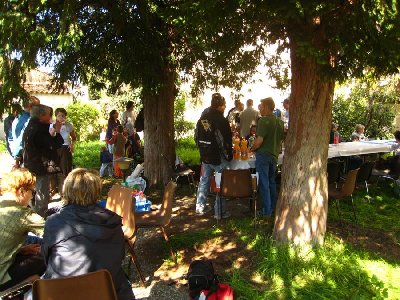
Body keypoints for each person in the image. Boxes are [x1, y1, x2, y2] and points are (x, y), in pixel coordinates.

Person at [41, 168, 134, 300]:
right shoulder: (113, 221)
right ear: (96, 191)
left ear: (67, 190)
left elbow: (46, 257)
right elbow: (119, 256)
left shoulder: (55, 222)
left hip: (61, 292)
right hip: (107, 291)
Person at [0, 169, 46, 291]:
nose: (32, 196)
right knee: (47, 255)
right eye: (33, 191)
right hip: (1, 278)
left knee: (32, 246)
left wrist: (20, 250)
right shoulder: (23, 214)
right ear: (22, 191)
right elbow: (54, 232)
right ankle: (19, 288)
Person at [195, 93, 233, 219]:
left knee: (204, 180)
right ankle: (219, 212)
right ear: (220, 106)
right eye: (224, 105)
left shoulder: (203, 118)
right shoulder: (221, 120)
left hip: (205, 155)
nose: (225, 107)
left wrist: (202, 151)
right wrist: (228, 155)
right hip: (218, 157)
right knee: (220, 183)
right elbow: (223, 141)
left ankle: (200, 207)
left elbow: (196, 137)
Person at [22, 104, 64, 217]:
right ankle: (40, 220)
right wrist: (58, 132)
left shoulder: (31, 126)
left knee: (33, 193)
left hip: (31, 164)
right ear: (42, 115)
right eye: (48, 114)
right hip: (39, 166)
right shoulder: (39, 129)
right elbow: (53, 145)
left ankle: (33, 214)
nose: (50, 117)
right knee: (41, 195)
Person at [250, 97, 284, 217]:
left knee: (264, 183)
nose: (260, 108)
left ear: (268, 107)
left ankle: (266, 211)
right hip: (274, 156)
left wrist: (251, 149)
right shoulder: (279, 121)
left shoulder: (263, 121)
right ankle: (273, 207)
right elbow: (281, 140)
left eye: (261, 106)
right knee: (271, 182)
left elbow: (259, 141)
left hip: (263, 155)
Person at [52, 108, 76, 194]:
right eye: (59, 115)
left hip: (65, 148)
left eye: (63, 116)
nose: (61, 117)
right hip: (55, 149)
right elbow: (50, 135)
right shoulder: (52, 124)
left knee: (65, 169)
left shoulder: (68, 125)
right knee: (55, 169)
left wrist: (72, 145)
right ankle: (55, 189)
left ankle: (66, 190)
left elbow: (74, 137)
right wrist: (56, 127)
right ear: (56, 116)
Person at [11, 96, 40, 168]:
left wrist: (14, 153)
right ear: (31, 106)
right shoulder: (29, 119)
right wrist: (17, 156)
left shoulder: (17, 118)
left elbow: (10, 138)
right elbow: (23, 137)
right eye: (38, 106)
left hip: (19, 153)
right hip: (26, 154)